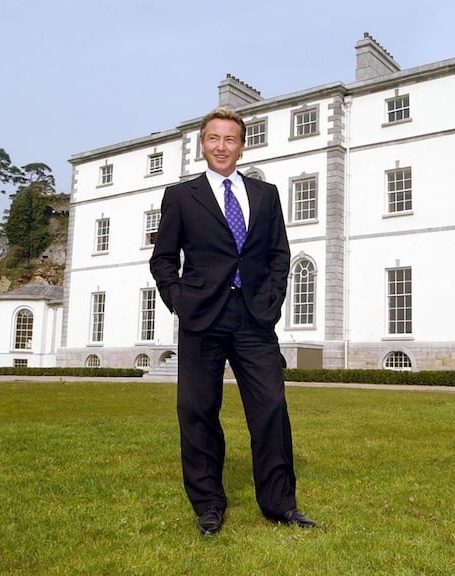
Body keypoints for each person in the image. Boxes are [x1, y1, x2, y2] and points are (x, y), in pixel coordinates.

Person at [150, 107, 316, 536]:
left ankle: (280, 505)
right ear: (202, 144)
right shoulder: (181, 197)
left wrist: (272, 301)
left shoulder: (266, 195)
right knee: (198, 409)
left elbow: (280, 254)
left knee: (271, 408)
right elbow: (163, 260)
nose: (222, 147)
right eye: (213, 139)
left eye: (230, 140)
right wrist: (179, 300)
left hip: (254, 317)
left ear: (242, 146)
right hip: (202, 316)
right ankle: (208, 504)